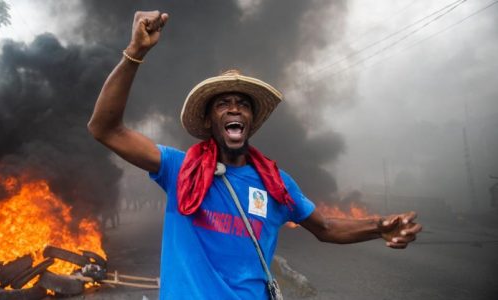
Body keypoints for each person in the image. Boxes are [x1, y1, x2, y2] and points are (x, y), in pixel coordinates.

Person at [88, 10, 422, 299]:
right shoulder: (180, 168)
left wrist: (379, 227)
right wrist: (134, 53)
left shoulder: (276, 184)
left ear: (250, 121)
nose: (234, 108)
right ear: (209, 121)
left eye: (243, 104)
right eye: (223, 103)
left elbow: (327, 227)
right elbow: (106, 129)